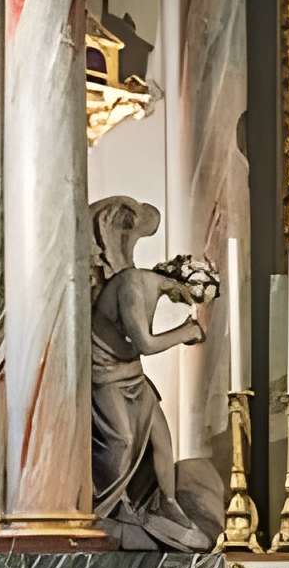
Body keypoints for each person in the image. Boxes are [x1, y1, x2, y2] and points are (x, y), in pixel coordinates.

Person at [87, 196, 215, 549]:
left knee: (162, 438)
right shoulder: (132, 283)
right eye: (192, 296)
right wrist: (186, 334)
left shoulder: (153, 290)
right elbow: (145, 342)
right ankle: (104, 508)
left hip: (131, 373)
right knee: (123, 440)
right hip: (106, 375)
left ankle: (168, 504)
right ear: (182, 283)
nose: (189, 303)